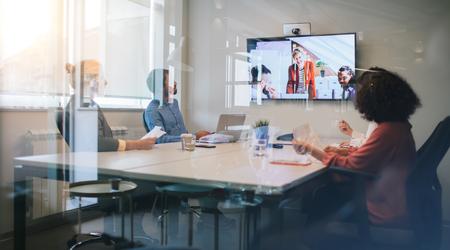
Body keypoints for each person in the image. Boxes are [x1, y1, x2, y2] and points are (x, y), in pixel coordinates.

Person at [293, 66, 421, 226]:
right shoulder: (398, 126)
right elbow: (373, 156)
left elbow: (349, 168)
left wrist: (310, 149)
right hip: (388, 198)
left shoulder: (387, 131)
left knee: (323, 193)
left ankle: (315, 241)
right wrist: (347, 151)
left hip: (378, 207)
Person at [57, 62, 156, 152]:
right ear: (89, 80)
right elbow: (97, 143)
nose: (105, 82)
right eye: (101, 78)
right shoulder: (82, 107)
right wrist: (137, 144)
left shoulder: (84, 103)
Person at [144, 68, 209, 143]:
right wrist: (194, 137)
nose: (175, 83)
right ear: (159, 87)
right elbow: (161, 139)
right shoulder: (152, 111)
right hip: (168, 152)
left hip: (184, 148)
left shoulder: (174, 103)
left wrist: (198, 138)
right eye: (171, 81)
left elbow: (183, 133)